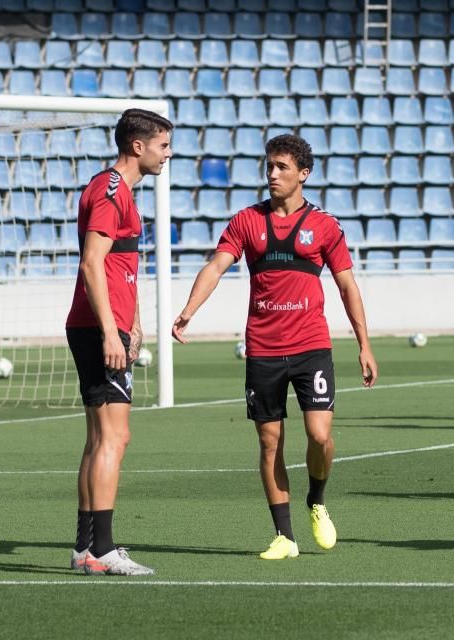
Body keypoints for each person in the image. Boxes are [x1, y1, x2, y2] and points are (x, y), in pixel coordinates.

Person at [172, 134, 378, 560]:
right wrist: (191, 308)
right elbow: (216, 265)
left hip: (311, 346)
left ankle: (316, 500)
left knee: (320, 437)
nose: (272, 174)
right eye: (269, 166)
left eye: (282, 167)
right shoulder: (246, 221)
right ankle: (284, 536)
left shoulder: (325, 226)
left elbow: (346, 285)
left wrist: (364, 345)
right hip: (263, 350)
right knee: (270, 444)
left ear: (304, 174)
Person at [66, 108, 173, 576]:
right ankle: (104, 550)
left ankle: (85, 549)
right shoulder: (112, 192)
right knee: (115, 436)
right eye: (163, 146)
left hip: (101, 324)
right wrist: (112, 330)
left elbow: (117, 269)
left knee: (98, 438)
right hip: (97, 327)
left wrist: (133, 322)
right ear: (138, 146)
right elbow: (92, 263)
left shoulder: (114, 189)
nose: (167, 155)